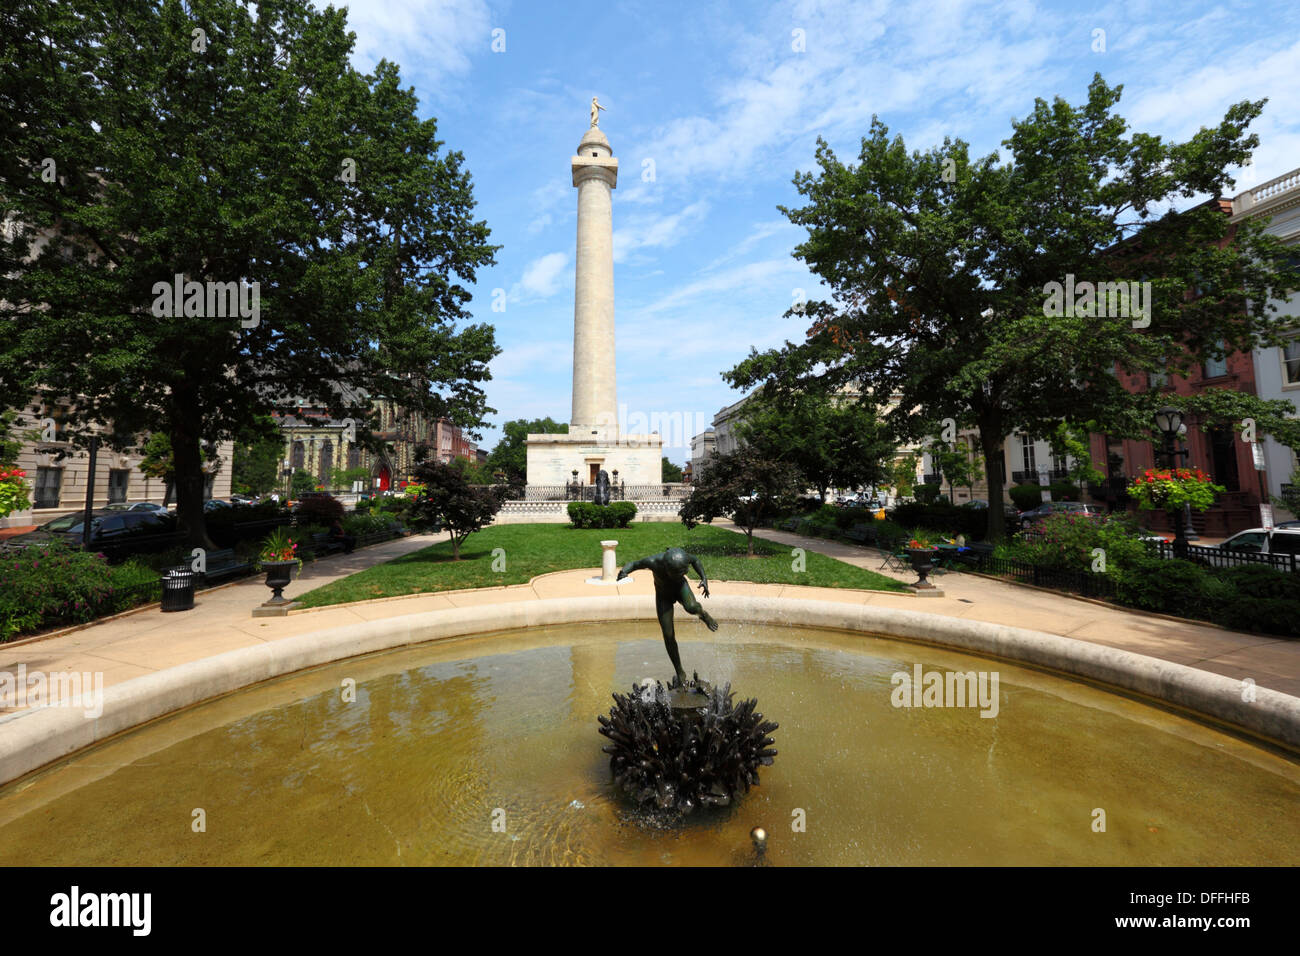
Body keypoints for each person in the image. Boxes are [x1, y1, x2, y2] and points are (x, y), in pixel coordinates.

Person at [617, 547, 718, 683]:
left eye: (683, 572)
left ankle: (703, 615)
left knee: (691, 607)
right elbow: (634, 564)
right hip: (663, 596)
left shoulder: (682, 557)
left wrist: (704, 578)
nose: (682, 575)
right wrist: (624, 571)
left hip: (681, 589)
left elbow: (696, 560)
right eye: (678, 574)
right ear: (666, 568)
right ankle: (680, 672)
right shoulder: (653, 562)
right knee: (668, 635)